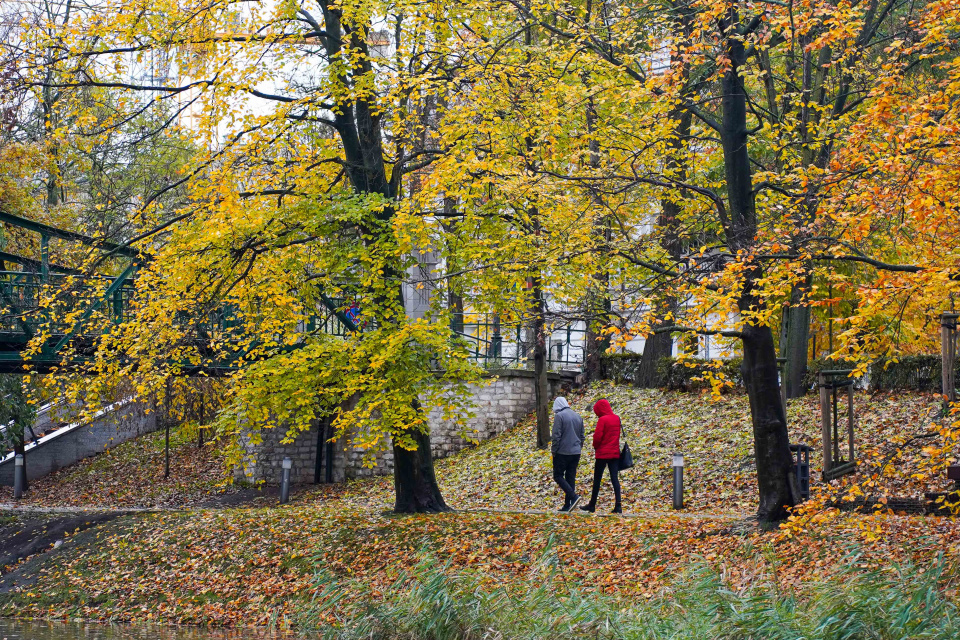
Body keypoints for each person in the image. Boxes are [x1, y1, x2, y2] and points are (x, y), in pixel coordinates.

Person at [581, 398, 622, 514]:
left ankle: (592, 505)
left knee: (597, 480)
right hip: (614, 453)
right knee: (615, 479)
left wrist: (595, 446)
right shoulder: (616, 418)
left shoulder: (602, 420)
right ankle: (618, 505)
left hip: (602, 454)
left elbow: (597, 437)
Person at [551, 396, 584, 512]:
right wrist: (578, 448)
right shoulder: (577, 416)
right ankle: (568, 505)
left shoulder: (559, 416)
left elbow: (556, 436)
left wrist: (554, 450)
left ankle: (573, 497)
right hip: (576, 452)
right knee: (570, 477)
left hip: (562, 452)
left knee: (558, 475)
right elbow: (582, 436)